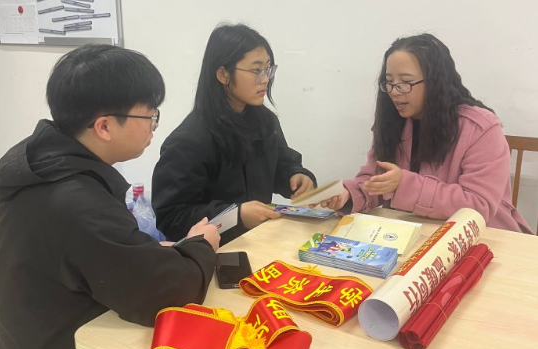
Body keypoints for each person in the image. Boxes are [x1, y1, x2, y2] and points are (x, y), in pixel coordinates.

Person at [0, 44, 225, 349]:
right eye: (149, 115)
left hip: (24, 346)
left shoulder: (45, 165)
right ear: (105, 126)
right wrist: (200, 245)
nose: (153, 126)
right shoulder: (77, 201)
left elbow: (95, 253)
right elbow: (167, 294)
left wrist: (150, 253)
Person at [320, 33, 531, 234]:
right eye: (390, 82)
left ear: (435, 82)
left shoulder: (480, 128)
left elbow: (478, 206)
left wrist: (403, 184)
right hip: (413, 234)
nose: (394, 92)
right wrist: (348, 194)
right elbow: (375, 180)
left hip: (482, 239)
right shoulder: (392, 122)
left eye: (406, 82)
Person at [151, 23, 317, 245]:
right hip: (213, 252)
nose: (265, 79)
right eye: (256, 70)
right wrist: (235, 215)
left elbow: (281, 165)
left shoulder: (265, 121)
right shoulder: (189, 139)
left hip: (257, 241)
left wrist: (296, 177)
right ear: (223, 74)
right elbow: (172, 217)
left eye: (268, 69)